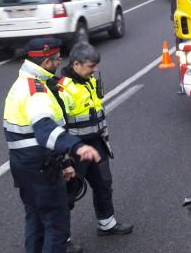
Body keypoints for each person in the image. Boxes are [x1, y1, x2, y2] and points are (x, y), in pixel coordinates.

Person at [3, 37, 101, 253]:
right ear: (47, 61)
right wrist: (76, 148)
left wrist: (64, 162)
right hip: (40, 166)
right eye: (57, 60)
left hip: (23, 165)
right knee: (56, 221)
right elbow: (45, 129)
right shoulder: (37, 91)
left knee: (35, 215)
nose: (59, 64)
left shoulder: (19, 84)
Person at [55, 43, 134, 238]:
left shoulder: (88, 80)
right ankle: (61, 240)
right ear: (76, 64)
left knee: (103, 184)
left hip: (96, 145)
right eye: (91, 66)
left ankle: (106, 223)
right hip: (75, 150)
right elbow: (58, 128)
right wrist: (64, 160)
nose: (95, 69)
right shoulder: (62, 90)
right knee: (67, 195)